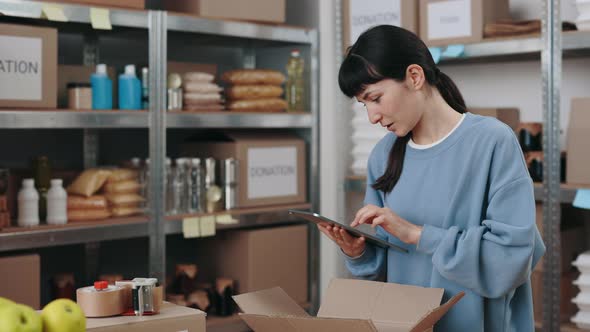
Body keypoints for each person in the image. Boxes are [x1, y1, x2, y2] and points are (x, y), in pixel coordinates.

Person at [318, 25, 545, 331]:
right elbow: (384, 272)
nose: (371, 116)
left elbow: (509, 260)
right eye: (363, 105)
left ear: (414, 77)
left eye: (375, 98)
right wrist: (358, 251)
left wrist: (416, 235)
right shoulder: (383, 156)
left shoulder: (492, 142)